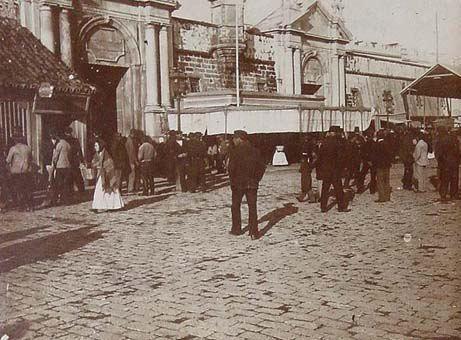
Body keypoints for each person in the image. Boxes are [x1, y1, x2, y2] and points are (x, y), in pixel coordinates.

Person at [228, 130, 266, 239]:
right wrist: (257, 179)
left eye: (234, 139)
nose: (233, 141)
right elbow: (262, 167)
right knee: (252, 207)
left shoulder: (235, 152)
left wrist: (233, 181)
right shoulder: (255, 151)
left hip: (238, 184)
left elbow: (231, 168)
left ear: (239, 139)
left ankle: (236, 229)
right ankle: (254, 232)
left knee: (235, 206)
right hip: (252, 184)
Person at [316, 126, 349, 213]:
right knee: (338, 189)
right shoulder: (338, 143)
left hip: (326, 169)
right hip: (335, 170)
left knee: (325, 189)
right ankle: (341, 207)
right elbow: (341, 157)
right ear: (335, 133)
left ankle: (323, 207)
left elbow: (319, 157)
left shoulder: (324, 143)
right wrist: (341, 167)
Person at [91, 139, 124, 212]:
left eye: (96, 145)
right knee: (100, 191)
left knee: (107, 191)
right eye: (94, 146)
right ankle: (101, 205)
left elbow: (110, 164)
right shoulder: (96, 155)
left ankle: (113, 205)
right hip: (100, 175)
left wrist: (104, 169)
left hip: (106, 176)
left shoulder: (106, 154)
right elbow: (94, 163)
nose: (95, 147)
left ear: (100, 146)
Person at [6, 134, 34, 211]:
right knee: (27, 189)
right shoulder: (28, 148)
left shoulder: (13, 149)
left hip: (16, 172)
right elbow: (31, 159)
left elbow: (8, 160)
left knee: (19, 189)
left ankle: (22, 206)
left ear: (15, 140)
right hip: (27, 171)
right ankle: (30, 206)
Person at [437, 127, 460, 202]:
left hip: (446, 163)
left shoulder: (442, 140)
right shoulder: (455, 140)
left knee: (445, 179)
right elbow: (458, 152)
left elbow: (439, 153)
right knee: (454, 179)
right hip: (454, 163)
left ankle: (443, 195)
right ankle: (453, 194)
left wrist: (440, 162)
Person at [372, 129, 393, 202]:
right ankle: (387, 197)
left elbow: (374, 156)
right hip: (387, 165)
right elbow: (390, 154)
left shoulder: (377, 145)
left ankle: (382, 197)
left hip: (380, 166)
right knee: (386, 181)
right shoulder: (387, 143)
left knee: (380, 181)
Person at [51, 132, 73, 204]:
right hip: (67, 166)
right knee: (66, 184)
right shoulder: (68, 144)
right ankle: (66, 199)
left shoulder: (59, 144)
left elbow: (55, 156)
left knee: (59, 183)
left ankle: (58, 199)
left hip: (60, 167)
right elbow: (70, 156)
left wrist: (53, 164)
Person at [64, 127, 85, 193]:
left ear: (65, 133)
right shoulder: (75, 140)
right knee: (78, 177)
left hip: (67, 161)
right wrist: (81, 160)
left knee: (69, 178)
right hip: (75, 161)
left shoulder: (64, 141)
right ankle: (81, 191)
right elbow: (79, 150)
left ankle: (70, 192)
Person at [125, 129, 139, 194]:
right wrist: (135, 161)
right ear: (132, 134)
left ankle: (131, 187)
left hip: (129, 160)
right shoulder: (130, 141)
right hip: (131, 161)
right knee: (132, 174)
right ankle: (130, 189)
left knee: (131, 174)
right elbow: (132, 152)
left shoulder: (128, 140)